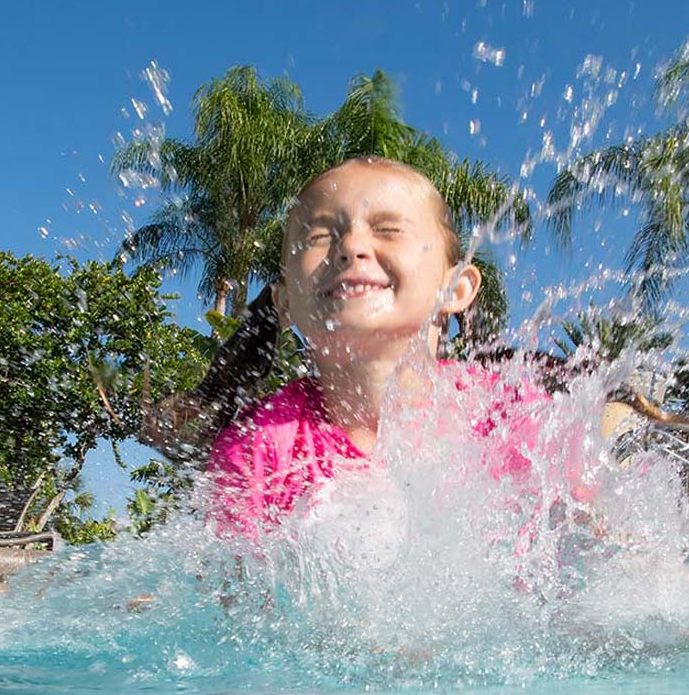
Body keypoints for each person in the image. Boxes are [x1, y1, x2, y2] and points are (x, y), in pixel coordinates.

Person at [203, 156, 574, 542]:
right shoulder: (256, 451)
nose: (350, 247)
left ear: (457, 289)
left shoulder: (508, 417)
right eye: (319, 236)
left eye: (387, 229)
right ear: (285, 304)